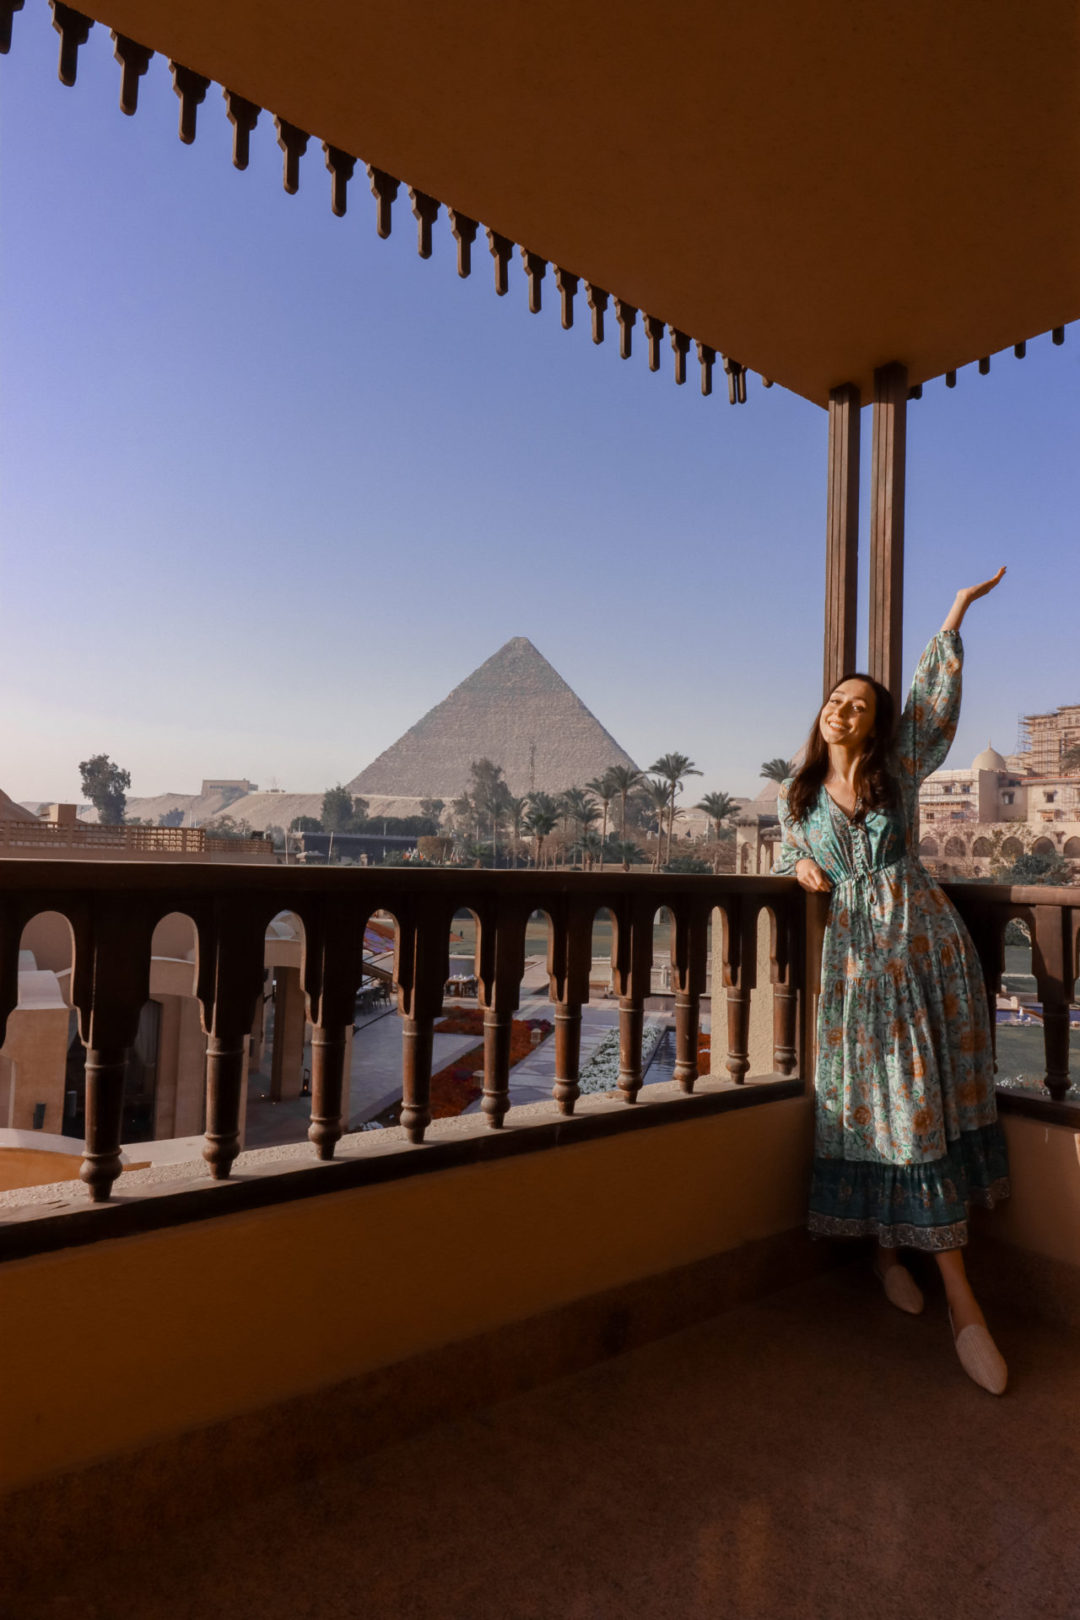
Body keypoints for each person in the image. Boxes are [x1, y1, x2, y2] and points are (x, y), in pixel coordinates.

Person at [774, 567, 1010, 1394]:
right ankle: (885, 1255)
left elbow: (932, 706)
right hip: (853, 968)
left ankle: (962, 1300)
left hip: (919, 946)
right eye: (837, 698)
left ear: (874, 724)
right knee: (875, 1106)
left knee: (915, 1103)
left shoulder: (895, 766)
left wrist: (953, 615)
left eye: (860, 703)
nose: (844, 707)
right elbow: (788, 850)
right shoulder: (795, 796)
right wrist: (796, 860)